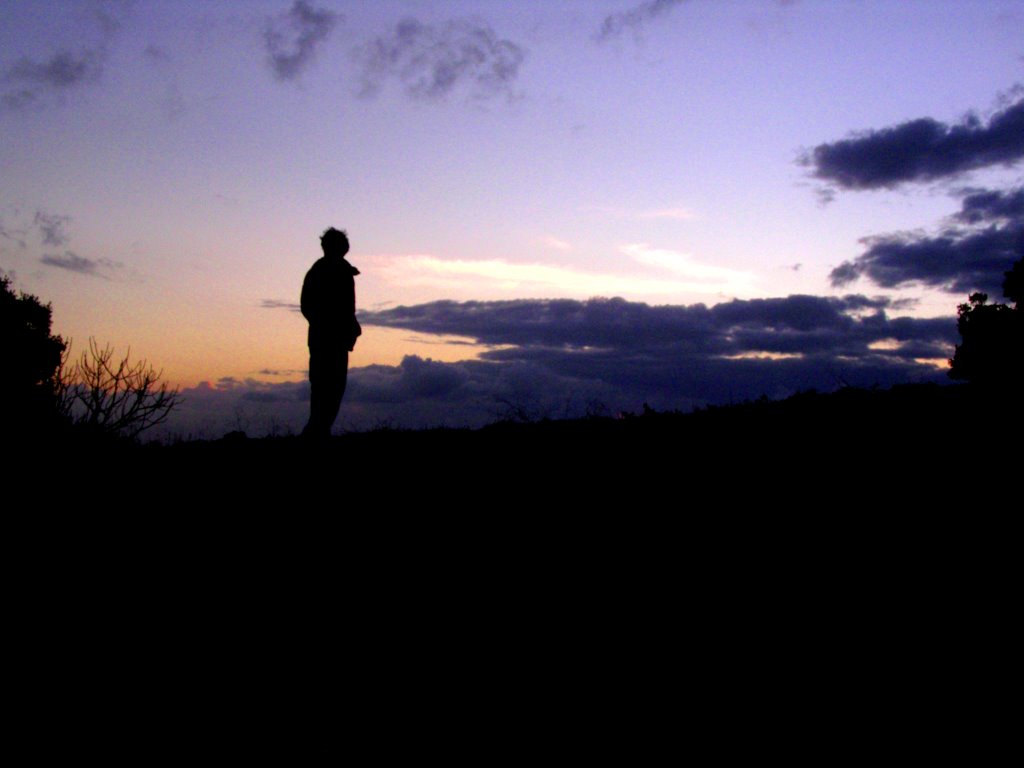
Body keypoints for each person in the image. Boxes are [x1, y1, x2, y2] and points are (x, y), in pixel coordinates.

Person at [300, 227, 361, 438]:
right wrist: (337, 326)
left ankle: (319, 430)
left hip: (324, 337)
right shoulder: (328, 271)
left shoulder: (322, 271)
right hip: (329, 338)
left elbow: (309, 307)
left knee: (326, 385)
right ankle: (316, 432)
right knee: (329, 385)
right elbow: (311, 307)